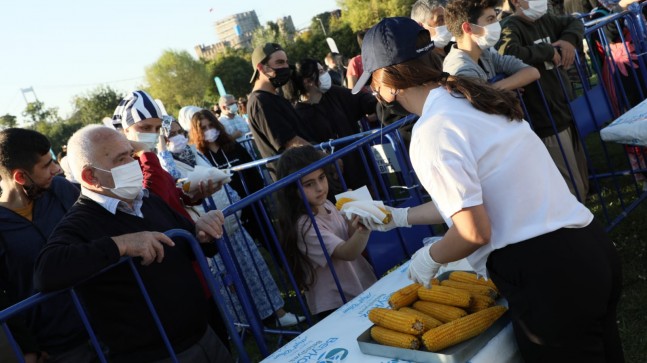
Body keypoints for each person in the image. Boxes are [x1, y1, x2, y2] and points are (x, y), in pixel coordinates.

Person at [354, 17, 623, 362]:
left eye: (372, 83)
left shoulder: (432, 130)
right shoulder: (469, 98)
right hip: (588, 248)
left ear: (388, 82)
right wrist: (401, 217)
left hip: (550, 276)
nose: (374, 93)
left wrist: (429, 257)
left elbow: (473, 231)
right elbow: (471, 198)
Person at [33, 125, 232, 363]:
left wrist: (202, 232)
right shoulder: (80, 223)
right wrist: (121, 244)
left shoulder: (147, 200)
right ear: (90, 176)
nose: (132, 162)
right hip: (155, 355)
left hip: (205, 335)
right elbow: (46, 272)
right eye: (121, 159)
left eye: (130, 154)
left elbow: (192, 244)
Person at [159, 119, 304, 327]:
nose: (177, 136)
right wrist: (163, 150)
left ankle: (277, 313)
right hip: (210, 230)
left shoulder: (194, 152)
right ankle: (246, 324)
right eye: (170, 134)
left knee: (255, 270)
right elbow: (174, 180)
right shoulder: (166, 163)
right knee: (229, 283)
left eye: (178, 131)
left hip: (231, 220)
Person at [0, 129, 91, 363]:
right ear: (21, 177)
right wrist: (28, 347)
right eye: (46, 165)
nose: (57, 169)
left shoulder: (62, 190)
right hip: (59, 348)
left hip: (106, 322)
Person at [496, 0, 590, 201]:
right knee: (570, 189)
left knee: (582, 178)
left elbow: (574, 22)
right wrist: (546, 51)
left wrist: (568, 40)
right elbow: (507, 51)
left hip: (564, 108)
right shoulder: (510, 26)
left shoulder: (546, 19)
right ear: (516, 2)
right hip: (544, 117)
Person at [275, 146, 377, 320]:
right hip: (335, 303)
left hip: (356, 286)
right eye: (309, 184)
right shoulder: (305, 225)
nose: (320, 187)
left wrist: (356, 214)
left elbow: (348, 236)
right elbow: (347, 252)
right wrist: (363, 228)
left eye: (321, 178)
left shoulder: (327, 204)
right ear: (292, 190)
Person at [112, 90, 215, 221]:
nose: (153, 133)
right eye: (145, 128)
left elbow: (171, 195)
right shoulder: (122, 167)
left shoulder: (146, 159)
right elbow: (153, 202)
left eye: (157, 128)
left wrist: (196, 196)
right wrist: (145, 152)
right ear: (126, 130)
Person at [282, 58, 377, 190]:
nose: (326, 74)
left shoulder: (336, 93)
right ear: (308, 81)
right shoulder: (299, 114)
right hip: (334, 178)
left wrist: (379, 103)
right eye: (320, 72)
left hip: (359, 166)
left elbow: (361, 100)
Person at [443, 0, 540, 89]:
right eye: (490, 19)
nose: (497, 24)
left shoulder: (485, 54)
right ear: (468, 28)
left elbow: (532, 72)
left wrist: (497, 87)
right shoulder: (461, 70)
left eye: (495, 18)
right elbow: (483, 101)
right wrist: (507, 87)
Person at [247, 43, 312, 176]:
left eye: (286, 62)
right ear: (261, 68)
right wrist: (324, 157)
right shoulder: (260, 101)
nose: (286, 67)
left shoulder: (274, 96)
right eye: (279, 62)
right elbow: (291, 143)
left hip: (305, 174)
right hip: (295, 181)